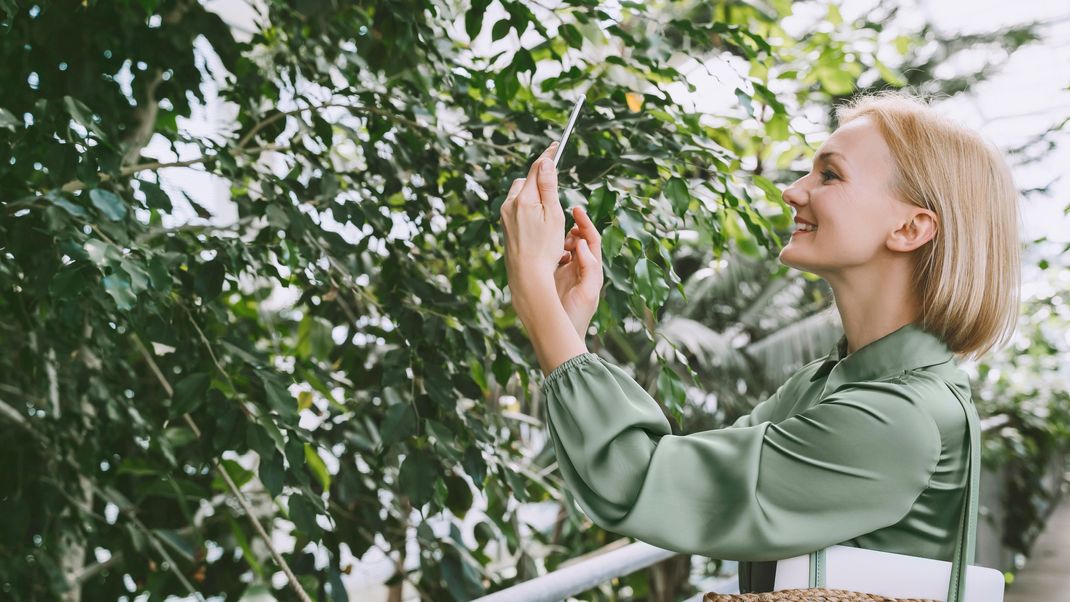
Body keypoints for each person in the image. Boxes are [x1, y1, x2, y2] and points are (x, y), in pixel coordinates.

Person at [497, 89, 1021, 593]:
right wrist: (565, 324)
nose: (793, 191)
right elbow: (692, 478)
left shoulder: (899, 418)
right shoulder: (832, 383)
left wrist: (533, 288)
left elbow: (640, 481)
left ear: (910, 228)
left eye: (829, 175)